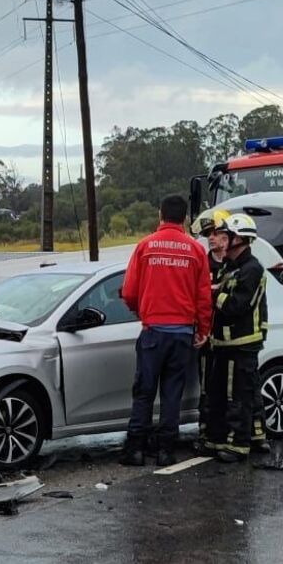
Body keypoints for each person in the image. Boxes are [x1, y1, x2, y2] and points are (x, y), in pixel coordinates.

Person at [120, 195, 212, 467]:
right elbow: (203, 297)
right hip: (182, 334)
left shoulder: (145, 247)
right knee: (172, 394)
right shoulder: (195, 250)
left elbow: (129, 292)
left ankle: (135, 449)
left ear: (160, 214)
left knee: (144, 392)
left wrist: (142, 311)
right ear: (184, 218)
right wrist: (202, 329)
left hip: (153, 333)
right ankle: (165, 451)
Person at [206, 213, 268, 463]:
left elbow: (237, 306)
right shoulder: (229, 267)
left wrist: (212, 296)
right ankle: (230, 438)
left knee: (239, 397)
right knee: (224, 394)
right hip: (223, 344)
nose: (221, 239)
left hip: (243, 344)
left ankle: (238, 446)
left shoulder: (252, 269)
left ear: (239, 238)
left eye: (226, 235)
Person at [190, 209, 231, 454]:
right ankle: (206, 434)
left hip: (231, 339)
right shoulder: (201, 262)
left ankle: (230, 434)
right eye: (208, 235)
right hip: (207, 337)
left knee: (231, 390)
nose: (212, 238)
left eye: (216, 233)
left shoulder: (234, 264)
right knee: (207, 389)